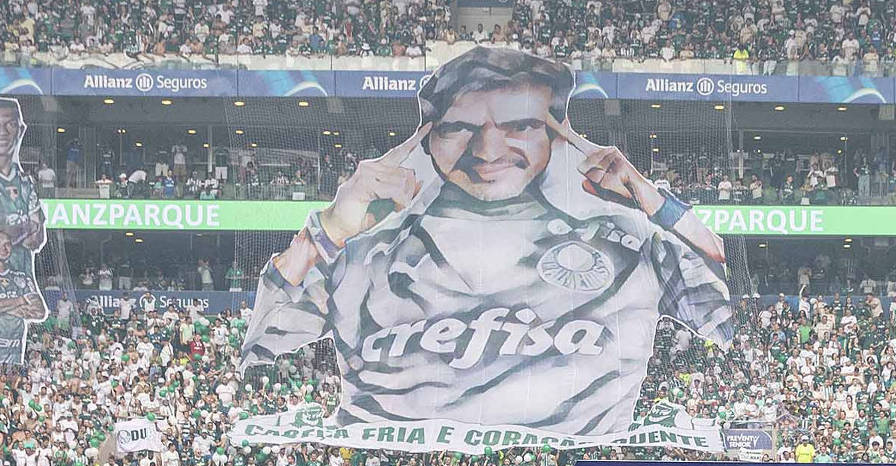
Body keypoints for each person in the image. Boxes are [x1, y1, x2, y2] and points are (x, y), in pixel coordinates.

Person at [242, 46, 731, 438]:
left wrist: (649, 197)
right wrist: (327, 228)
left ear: (558, 137)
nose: (488, 151)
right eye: (459, 128)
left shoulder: (624, 244)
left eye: (520, 126)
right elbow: (257, 352)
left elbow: (718, 310)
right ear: (426, 139)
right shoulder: (356, 251)